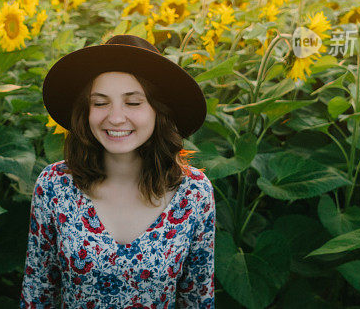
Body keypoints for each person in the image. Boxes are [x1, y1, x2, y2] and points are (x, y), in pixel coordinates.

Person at [21, 34, 215, 308]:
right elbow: (38, 294)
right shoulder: (54, 186)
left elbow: (197, 299)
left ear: (158, 111)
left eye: (133, 102)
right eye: (100, 103)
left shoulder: (194, 193)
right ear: (85, 112)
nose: (114, 117)